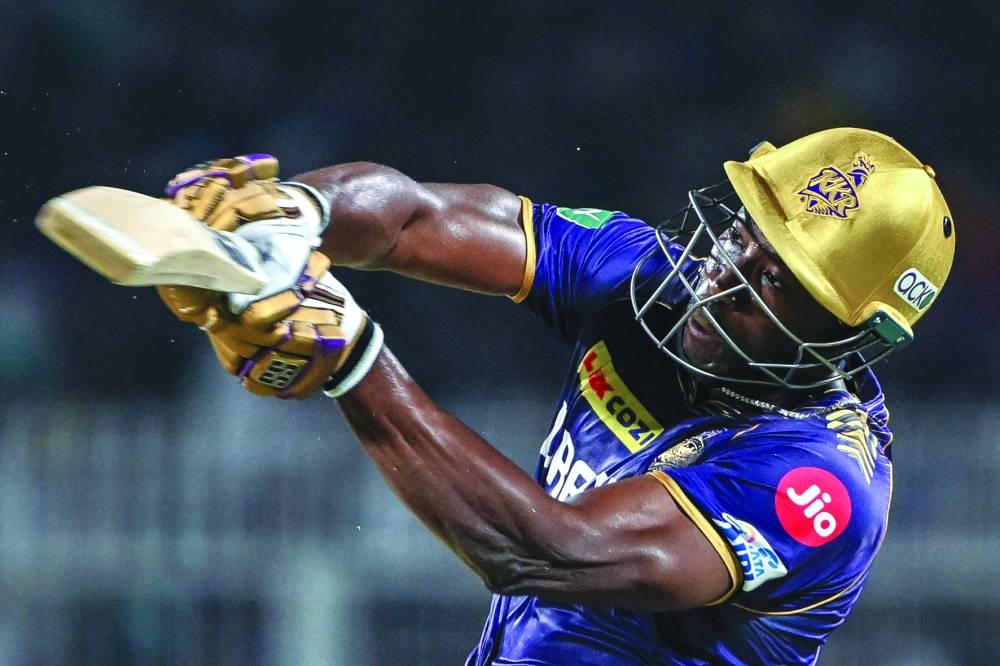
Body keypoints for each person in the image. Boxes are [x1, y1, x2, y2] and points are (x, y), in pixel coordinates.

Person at [157, 127, 955, 664]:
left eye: (774, 280)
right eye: (741, 234)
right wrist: (295, 220)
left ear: (851, 339)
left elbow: (551, 553)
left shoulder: (817, 483)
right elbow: (413, 220)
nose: (723, 279)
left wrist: (354, 359)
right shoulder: (643, 276)